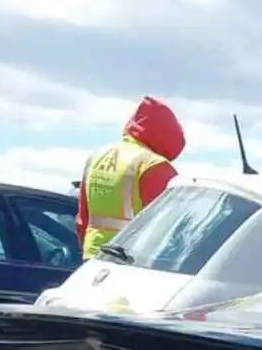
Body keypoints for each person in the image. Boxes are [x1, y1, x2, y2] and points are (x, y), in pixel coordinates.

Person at [76, 97, 186, 258]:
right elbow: (168, 227)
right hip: (132, 260)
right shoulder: (154, 165)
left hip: (93, 255)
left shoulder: (97, 156)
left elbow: (82, 217)